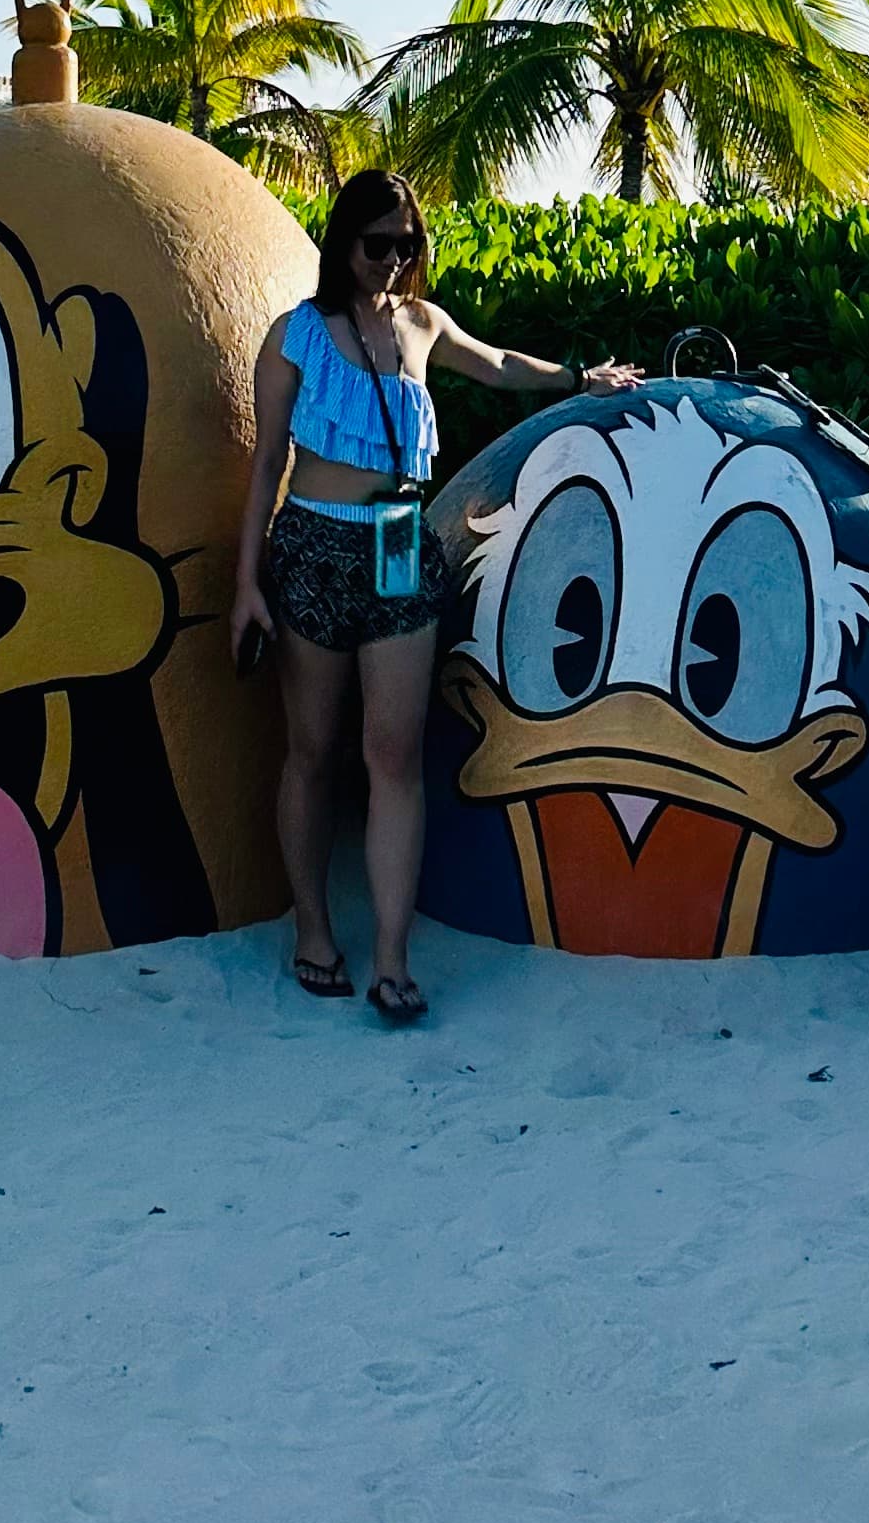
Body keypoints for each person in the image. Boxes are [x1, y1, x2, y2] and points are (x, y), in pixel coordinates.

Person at [230, 167, 639, 1024]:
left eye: (407, 245)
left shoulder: (421, 324)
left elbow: (493, 366)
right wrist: (246, 586)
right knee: (311, 751)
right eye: (378, 245)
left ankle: (390, 959)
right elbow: (266, 465)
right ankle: (313, 929)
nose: (393, 260)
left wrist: (579, 378)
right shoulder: (296, 336)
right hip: (312, 546)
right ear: (343, 244)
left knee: (394, 757)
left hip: (399, 549)